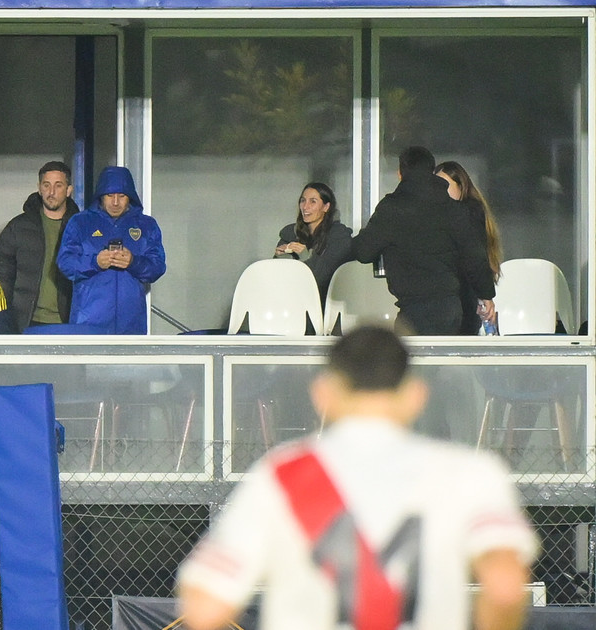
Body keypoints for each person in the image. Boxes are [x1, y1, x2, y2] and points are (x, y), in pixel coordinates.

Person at [175, 326, 537, 630]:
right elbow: (505, 587)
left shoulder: (280, 474)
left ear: (323, 394)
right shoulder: (470, 473)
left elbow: (206, 606)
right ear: (415, 395)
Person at [352, 146, 495, 335]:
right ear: (431, 172)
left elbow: (363, 252)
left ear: (400, 174)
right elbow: (475, 256)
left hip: (413, 309)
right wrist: (486, 295)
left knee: (409, 353)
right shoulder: (452, 209)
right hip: (450, 308)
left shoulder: (391, 209)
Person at [57, 166, 166, 334]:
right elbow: (65, 262)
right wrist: (95, 262)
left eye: (121, 196)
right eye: (110, 195)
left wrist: (133, 262)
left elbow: (157, 267)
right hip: (88, 325)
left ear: (130, 197)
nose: (115, 202)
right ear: (101, 195)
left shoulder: (146, 225)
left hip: (131, 326)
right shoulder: (80, 223)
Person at [0, 161, 82, 332]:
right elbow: (2, 276)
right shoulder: (18, 227)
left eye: (58, 185)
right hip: (26, 321)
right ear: (39, 188)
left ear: (69, 190)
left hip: (71, 321)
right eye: (46, 185)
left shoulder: (82, 227)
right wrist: (4, 317)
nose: (51, 192)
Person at [435, 161, 504, 335]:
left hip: (462, 298)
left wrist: (484, 295)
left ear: (461, 186)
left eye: (445, 185)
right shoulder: (473, 212)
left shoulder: (466, 214)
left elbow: (473, 258)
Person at [273, 182, 353, 303]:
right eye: (303, 201)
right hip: (291, 301)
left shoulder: (339, 236)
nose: (305, 207)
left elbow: (326, 279)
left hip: (325, 302)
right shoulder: (290, 234)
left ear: (326, 207)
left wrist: (306, 257)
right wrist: (282, 258)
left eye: (313, 201)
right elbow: (276, 279)